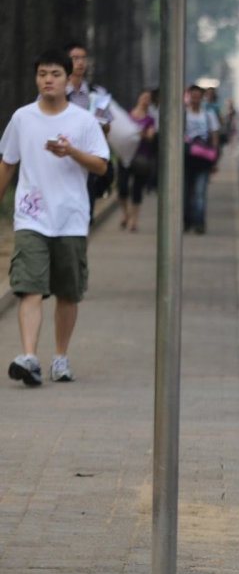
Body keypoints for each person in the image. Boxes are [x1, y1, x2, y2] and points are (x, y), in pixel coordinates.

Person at [0, 49, 110, 385]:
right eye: (42, 74)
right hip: (31, 217)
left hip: (71, 218)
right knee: (28, 287)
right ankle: (30, 356)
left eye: (55, 74)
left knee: (67, 291)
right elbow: (7, 162)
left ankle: (60, 358)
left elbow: (102, 165)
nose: (48, 80)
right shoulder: (22, 118)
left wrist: (71, 152)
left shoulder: (83, 121)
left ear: (68, 79)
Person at [64, 41, 113, 220]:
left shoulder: (97, 93)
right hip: (63, 160)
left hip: (89, 161)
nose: (80, 63)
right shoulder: (56, 93)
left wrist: (102, 125)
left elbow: (107, 127)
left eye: (83, 58)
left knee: (86, 214)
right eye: (75, 58)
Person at [117, 90, 157, 232]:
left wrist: (142, 133)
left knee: (137, 189)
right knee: (122, 187)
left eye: (148, 98)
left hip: (141, 157)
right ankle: (125, 213)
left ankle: (134, 219)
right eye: (144, 97)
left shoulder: (150, 119)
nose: (145, 100)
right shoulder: (128, 115)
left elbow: (151, 137)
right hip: (125, 155)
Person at [183, 84, 220, 234]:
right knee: (186, 193)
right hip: (186, 158)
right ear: (189, 97)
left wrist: (215, 158)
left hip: (203, 159)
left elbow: (215, 136)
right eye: (193, 96)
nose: (195, 99)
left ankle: (199, 222)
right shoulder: (183, 114)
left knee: (200, 193)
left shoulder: (208, 115)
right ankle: (187, 220)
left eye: (198, 96)